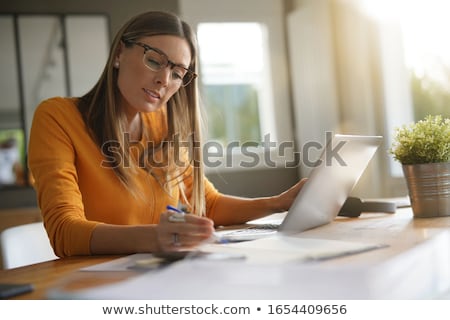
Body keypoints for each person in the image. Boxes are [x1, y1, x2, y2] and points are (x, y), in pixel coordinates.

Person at [28, 11, 305, 258]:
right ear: (118, 54)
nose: (164, 80)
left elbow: (205, 204)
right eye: (154, 60)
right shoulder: (58, 117)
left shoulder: (162, 125)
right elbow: (64, 232)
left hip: (159, 275)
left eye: (177, 73)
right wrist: (155, 237)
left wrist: (279, 202)